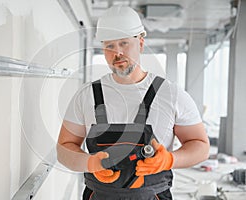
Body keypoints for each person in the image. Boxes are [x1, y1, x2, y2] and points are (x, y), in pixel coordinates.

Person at [57, 5, 210, 200]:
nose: (117, 53)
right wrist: (89, 163)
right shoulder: (87, 95)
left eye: (124, 43)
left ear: (140, 43)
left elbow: (201, 146)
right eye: (110, 46)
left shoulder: (170, 94)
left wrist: (170, 159)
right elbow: (64, 148)